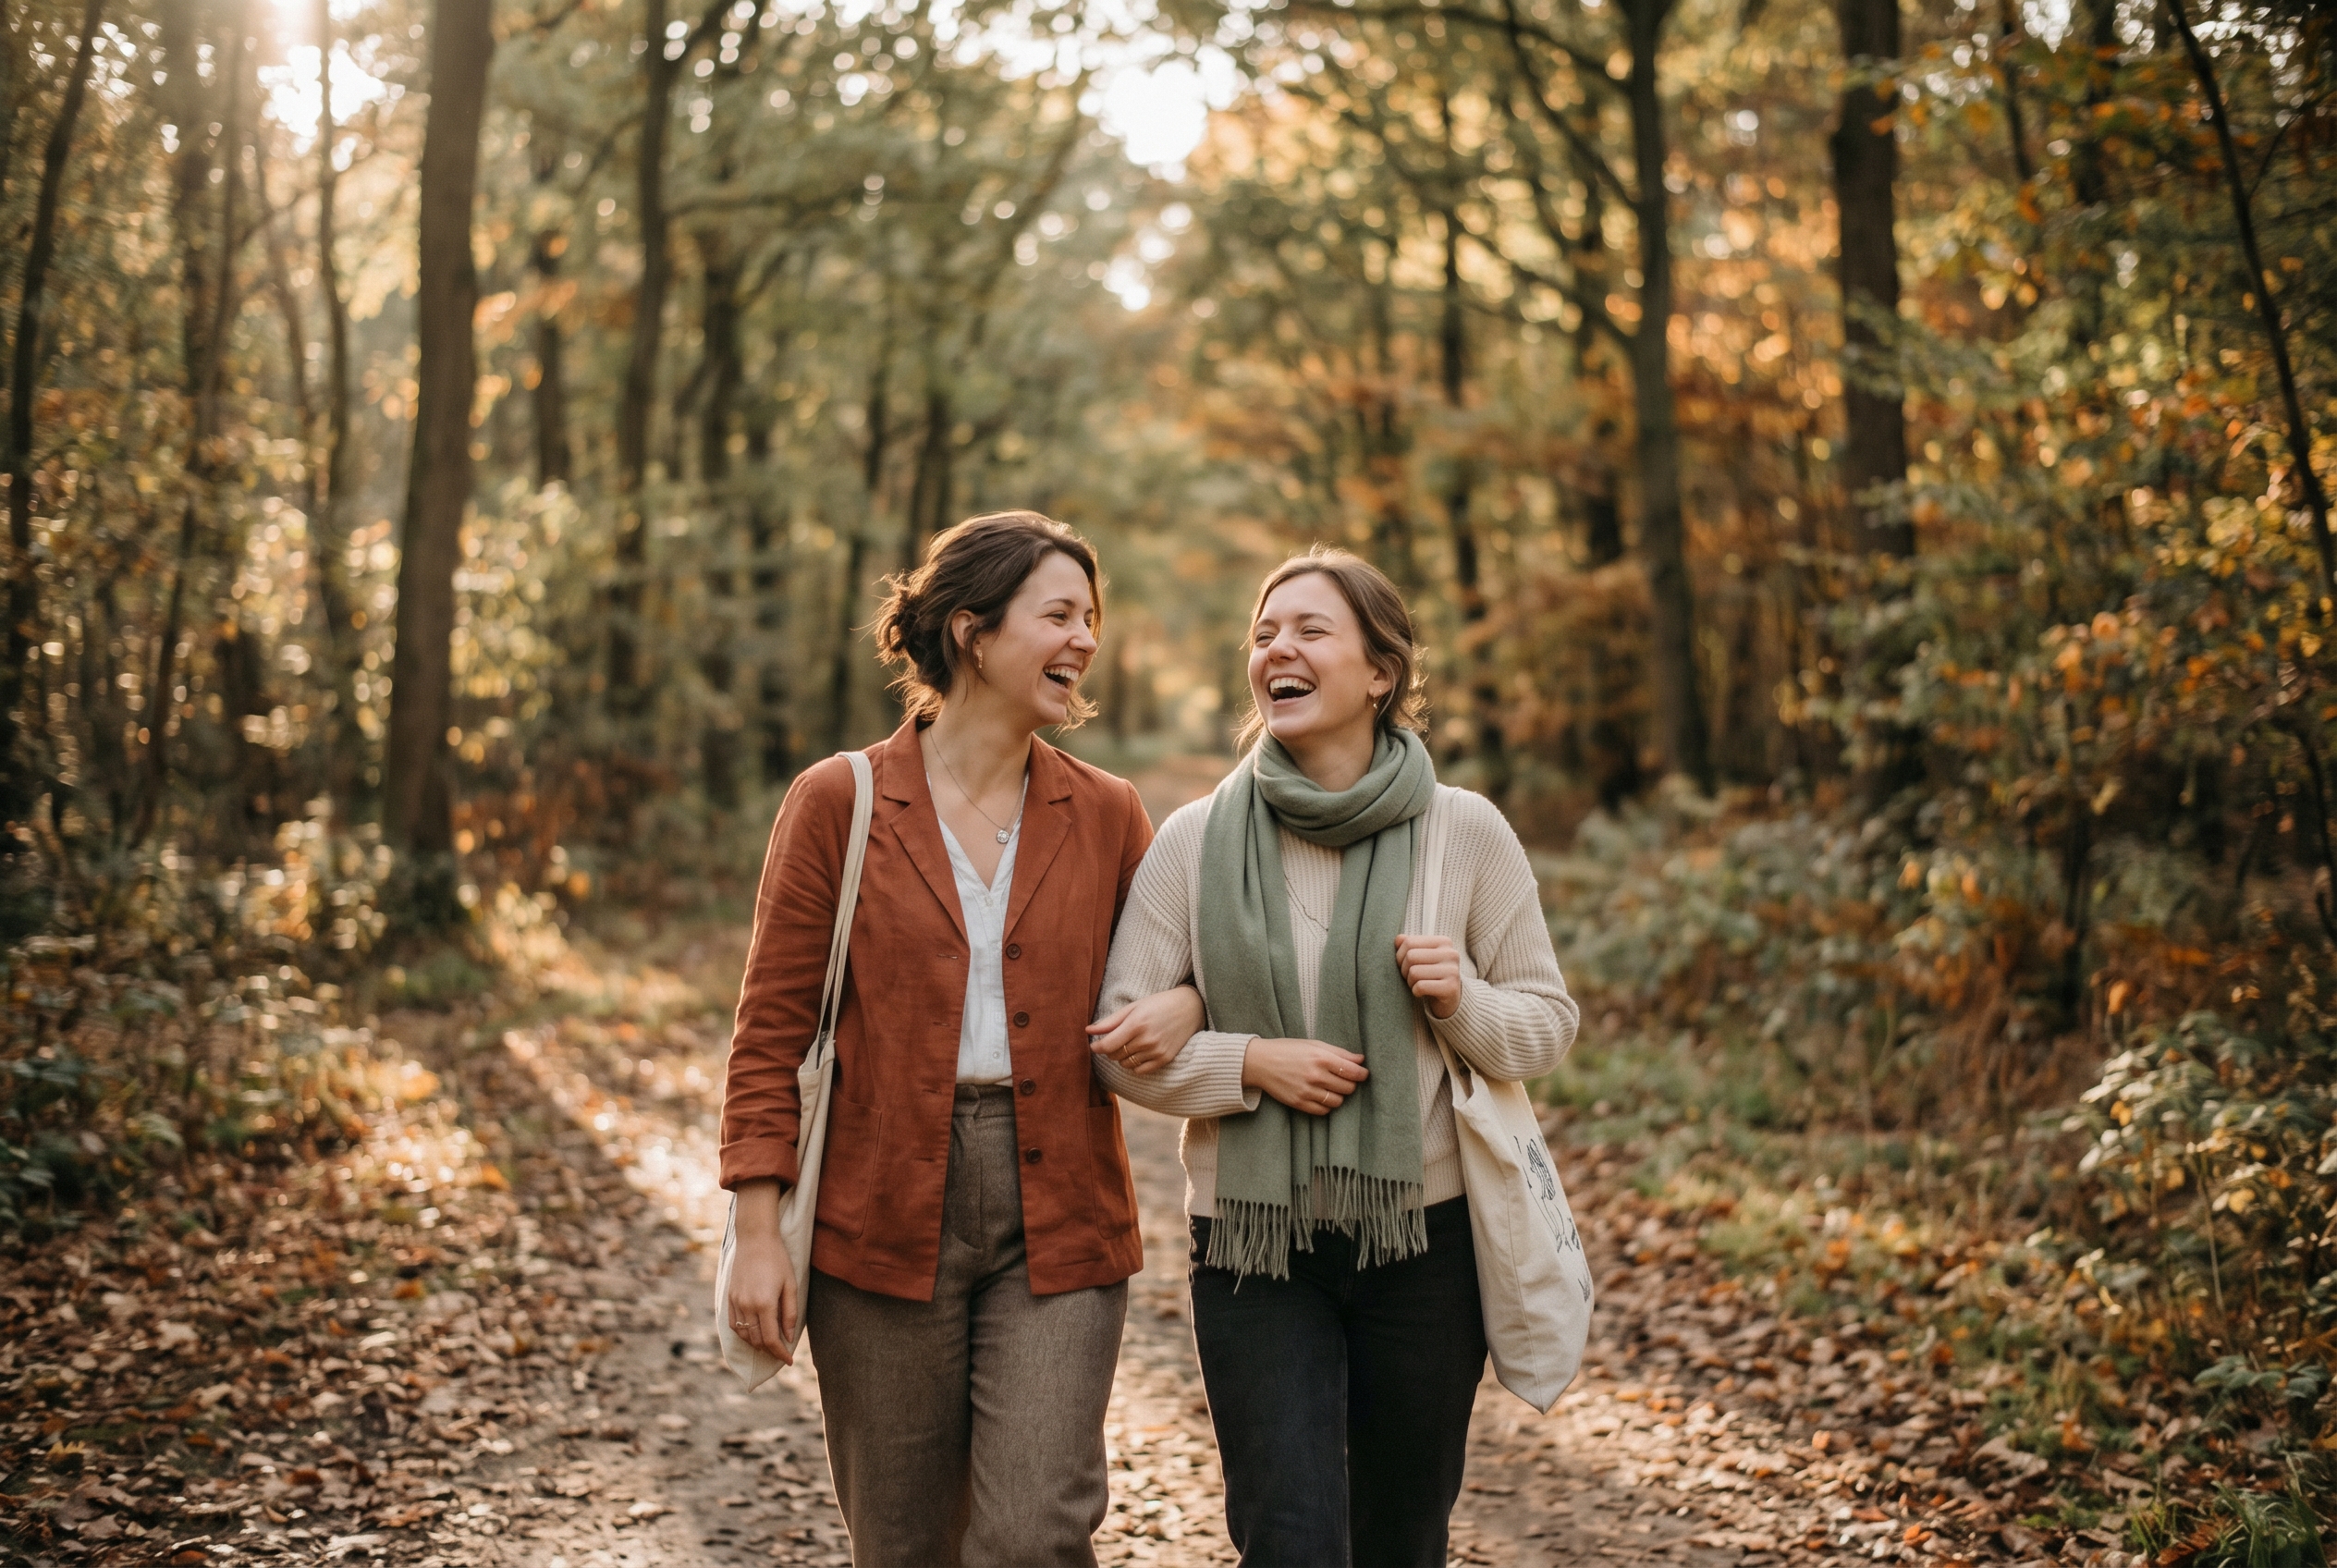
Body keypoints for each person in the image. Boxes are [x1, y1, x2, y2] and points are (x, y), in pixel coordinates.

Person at [720, 510, 1203, 1568]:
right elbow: (770, 1032)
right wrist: (757, 1230)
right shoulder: (836, 801)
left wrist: (1188, 1005)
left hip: (1061, 1214)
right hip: (876, 1215)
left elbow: (1187, 970)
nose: (1084, 639)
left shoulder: (1109, 812)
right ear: (973, 633)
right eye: (1058, 615)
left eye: (1091, 618)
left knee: (1034, 1532)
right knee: (902, 1542)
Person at [1086, 546, 1578, 1568]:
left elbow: (1546, 1024)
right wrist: (1249, 1063)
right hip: (1253, 1247)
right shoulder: (1194, 841)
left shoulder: (1465, 832)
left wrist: (1461, 1001)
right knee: (1289, 1538)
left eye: (1310, 630)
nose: (1278, 649)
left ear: (1379, 673)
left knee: (1402, 1535)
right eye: (1264, 633)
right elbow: (1120, 1048)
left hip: (1426, 1246)